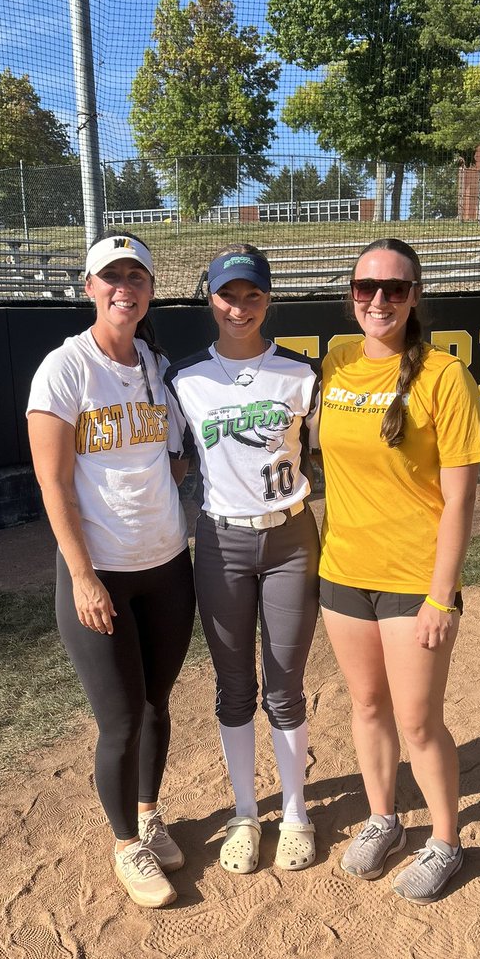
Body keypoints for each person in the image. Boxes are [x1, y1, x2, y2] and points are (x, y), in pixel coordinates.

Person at [27, 231, 195, 910]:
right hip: (101, 573)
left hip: (167, 565)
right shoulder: (64, 369)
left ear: (149, 291)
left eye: (137, 277)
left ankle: (149, 815)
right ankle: (126, 844)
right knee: (121, 719)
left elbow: (176, 455)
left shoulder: (155, 365)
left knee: (158, 706)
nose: (125, 287)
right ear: (89, 287)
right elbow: (53, 484)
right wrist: (85, 575)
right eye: (111, 277)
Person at [318, 238, 480, 904]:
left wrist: (441, 598)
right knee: (366, 706)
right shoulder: (337, 361)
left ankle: (446, 839)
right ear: (351, 294)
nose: (378, 300)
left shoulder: (445, 376)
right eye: (366, 288)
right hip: (343, 569)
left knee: (418, 721)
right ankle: (383, 818)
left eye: (394, 288)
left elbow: (462, 497)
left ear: (415, 296)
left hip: (413, 576)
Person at [165, 244, 321, 875]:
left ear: (268, 299)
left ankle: (296, 814)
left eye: (252, 294)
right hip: (221, 541)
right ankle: (243, 815)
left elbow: (326, 451)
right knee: (233, 686)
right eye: (229, 294)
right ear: (211, 299)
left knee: (283, 683)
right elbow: (171, 460)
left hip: (289, 539)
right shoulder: (184, 379)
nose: (240, 307)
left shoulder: (301, 374)